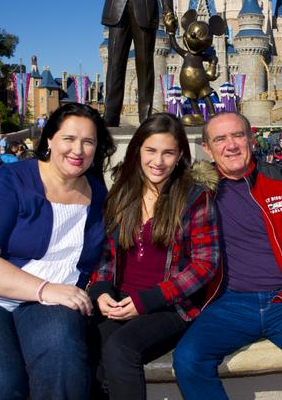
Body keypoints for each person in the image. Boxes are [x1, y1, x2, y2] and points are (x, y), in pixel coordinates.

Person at [0, 104, 115, 399]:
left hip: (49, 306)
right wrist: (45, 288)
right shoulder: (11, 181)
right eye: (68, 138)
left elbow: (110, 257)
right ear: (49, 140)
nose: (78, 149)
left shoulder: (99, 196)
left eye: (88, 141)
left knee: (64, 362)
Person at [172, 112, 282, 400]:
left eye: (238, 136)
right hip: (228, 303)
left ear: (251, 140)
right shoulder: (196, 191)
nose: (231, 145)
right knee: (188, 359)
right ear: (207, 149)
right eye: (220, 139)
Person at [89, 113, 220, 399]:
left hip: (171, 306)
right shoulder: (122, 195)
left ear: (179, 156)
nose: (158, 161)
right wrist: (100, 291)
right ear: (137, 150)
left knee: (120, 348)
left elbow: (204, 265)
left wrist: (147, 300)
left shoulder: (194, 198)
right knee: (87, 345)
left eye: (168, 153)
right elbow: (106, 257)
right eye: (151, 150)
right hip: (121, 300)